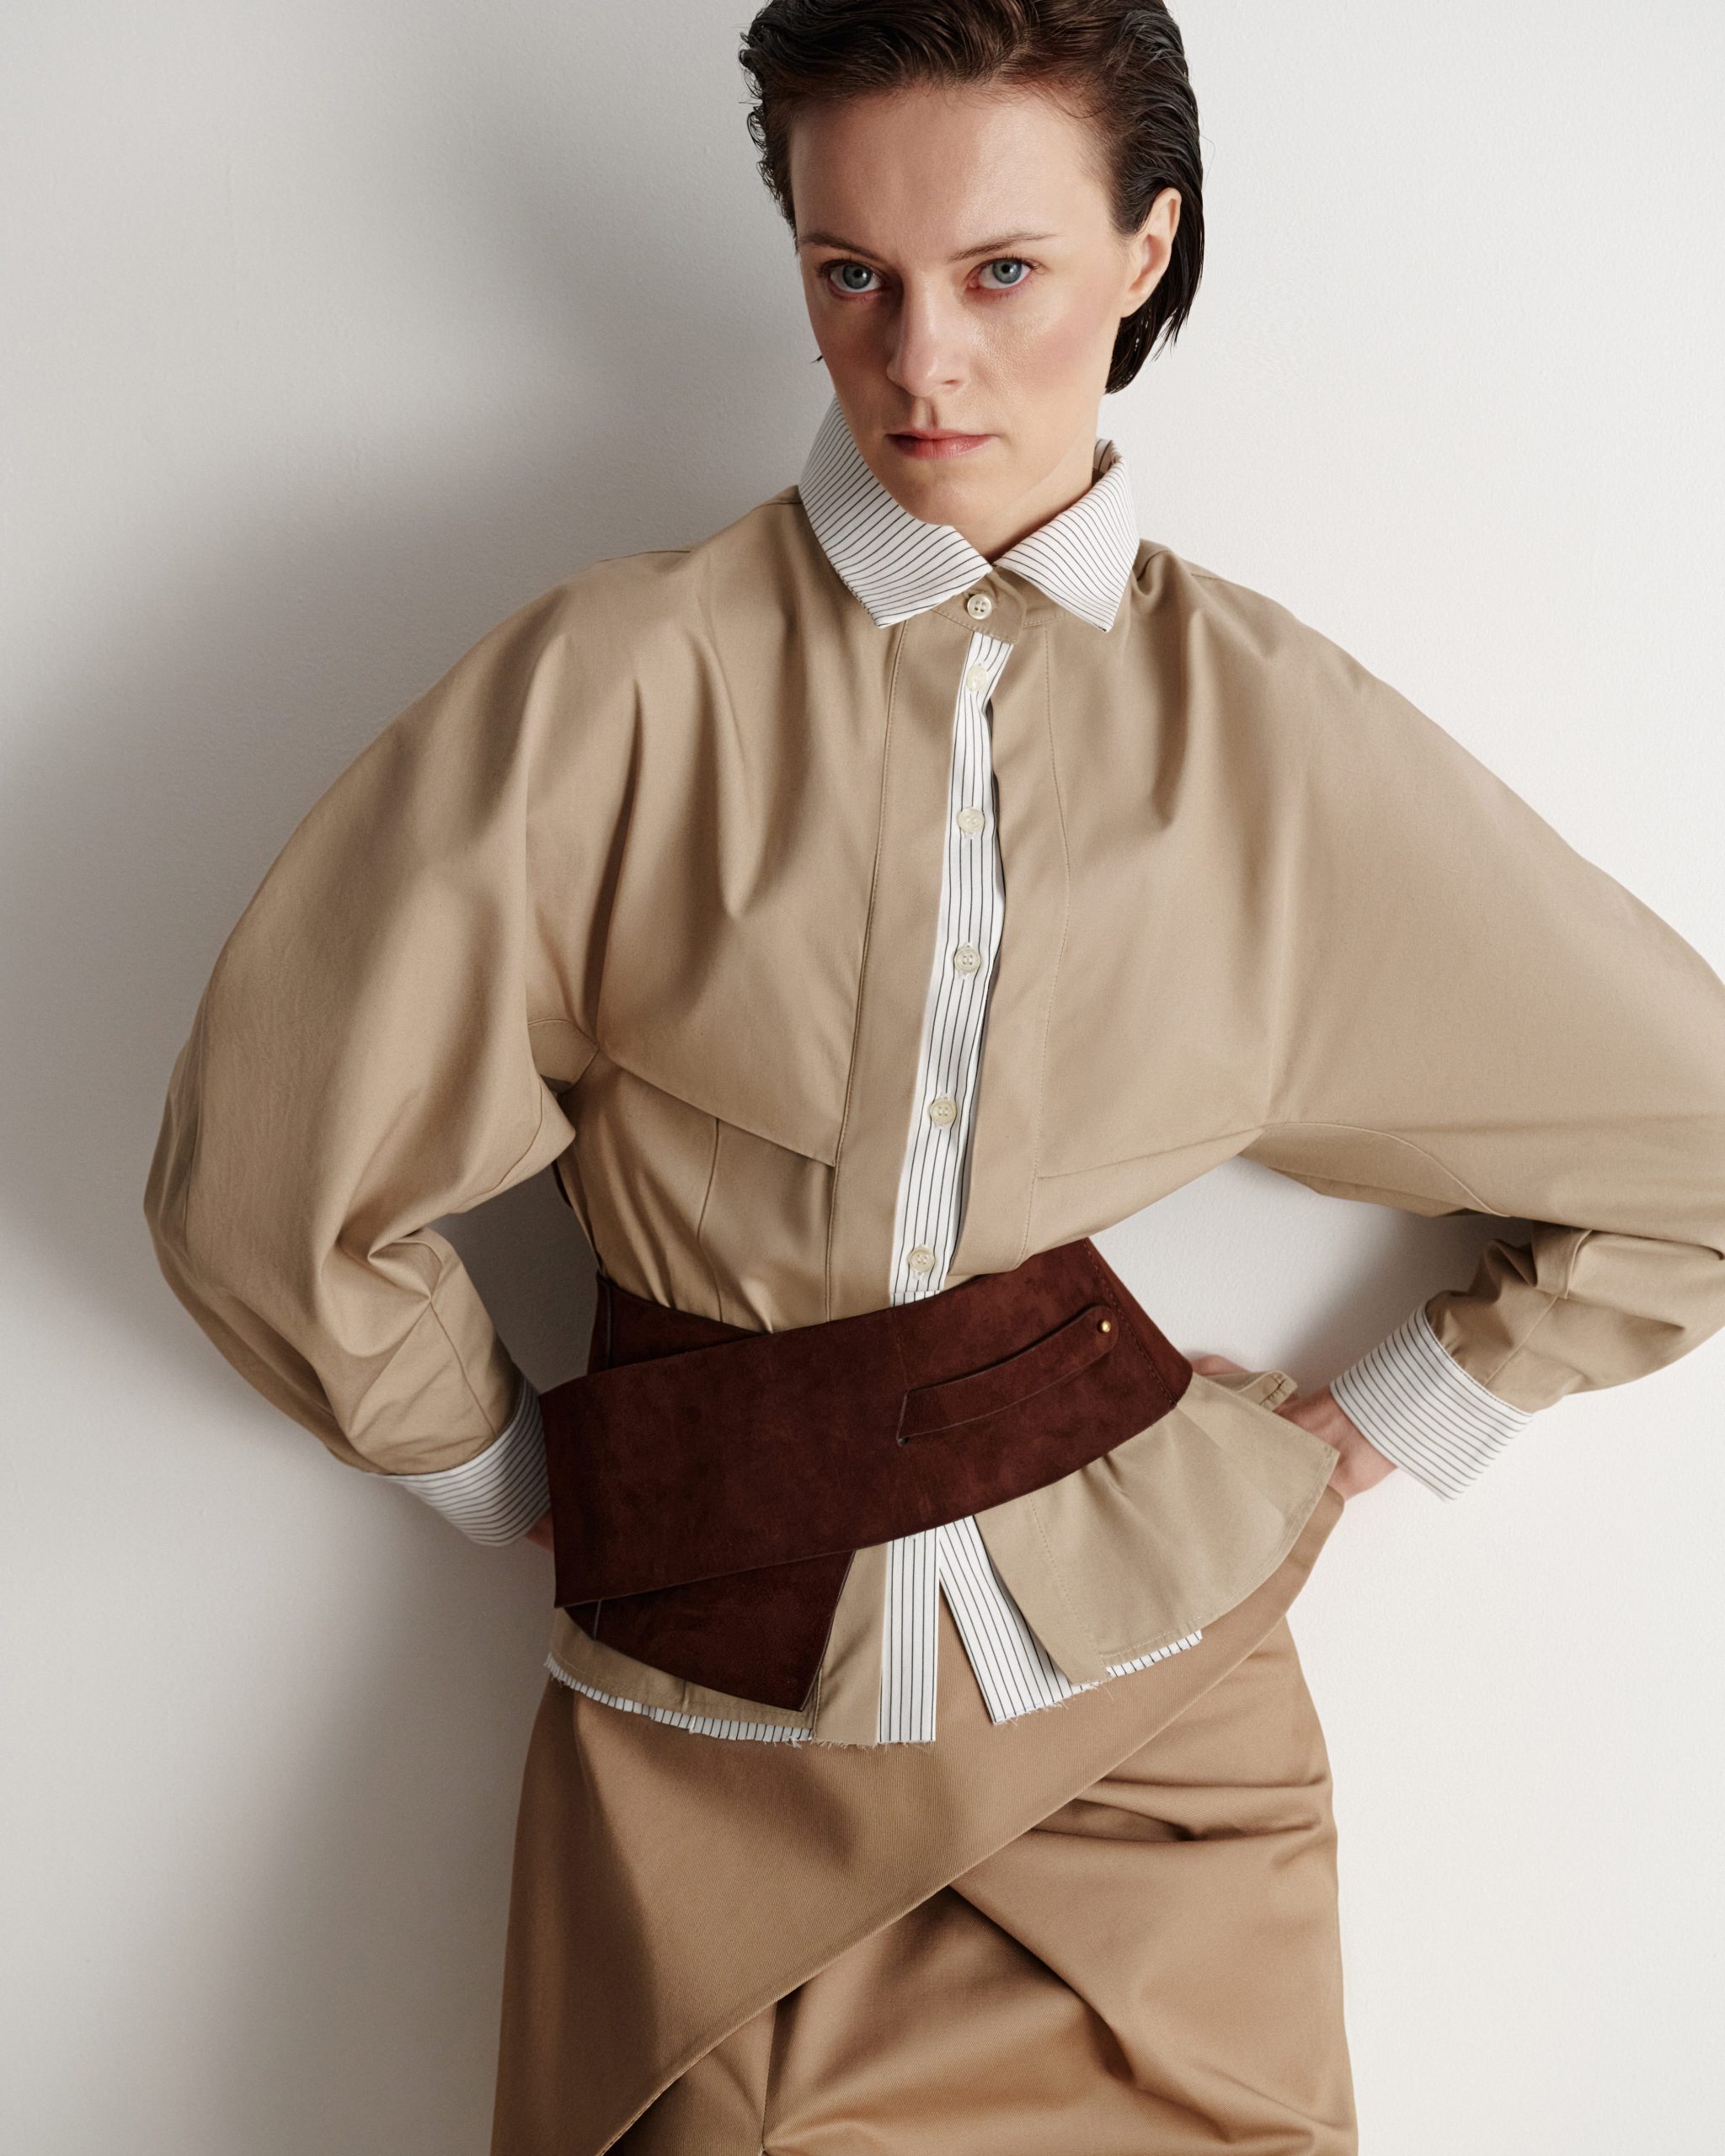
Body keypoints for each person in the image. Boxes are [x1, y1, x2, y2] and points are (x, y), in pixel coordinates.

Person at [142, 3, 1725, 2150]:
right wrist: (515, 1470)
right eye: (850, 274)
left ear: (1145, 249)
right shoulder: (616, 684)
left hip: (1165, 1771)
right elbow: (268, 1179)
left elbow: (1687, 1139)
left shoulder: (1273, 739)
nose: (920, 363)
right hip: (713, 1763)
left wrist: (1407, 1413)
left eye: (1000, 271)